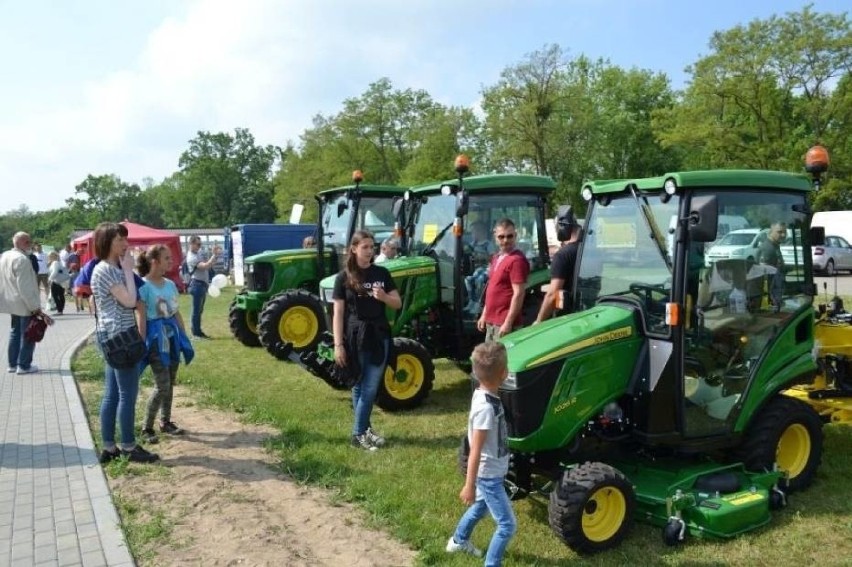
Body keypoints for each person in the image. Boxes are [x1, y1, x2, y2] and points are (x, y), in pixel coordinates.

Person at [90, 222, 159, 465]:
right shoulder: (107, 270)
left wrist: (127, 270)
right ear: (106, 242)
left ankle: (109, 447)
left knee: (112, 394)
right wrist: (129, 270)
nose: (125, 243)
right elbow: (130, 301)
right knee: (126, 394)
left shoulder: (109, 268)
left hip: (113, 336)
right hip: (120, 338)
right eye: (119, 239)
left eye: (124, 238)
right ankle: (128, 446)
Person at [447, 341, 516, 565]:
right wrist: (469, 485)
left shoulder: (484, 395)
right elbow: (474, 449)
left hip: (493, 471)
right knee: (507, 525)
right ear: (504, 373)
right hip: (489, 476)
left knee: (480, 507)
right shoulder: (486, 408)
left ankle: (458, 540)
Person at [332, 230, 402, 451]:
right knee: (360, 384)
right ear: (353, 249)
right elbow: (338, 313)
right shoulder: (343, 278)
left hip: (379, 333)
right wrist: (338, 345)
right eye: (365, 247)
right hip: (356, 336)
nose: (370, 251)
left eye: (372, 247)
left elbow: (397, 303)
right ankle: (360, 433)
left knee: (370, 386)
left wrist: (384, 297)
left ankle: (362, 431)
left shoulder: (381, 272)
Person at [136, 244, 194, 444]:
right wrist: (141, 342)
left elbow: (175, 311)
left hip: (172, 337)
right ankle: (146, 427)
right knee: (162, 385)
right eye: (167, 258)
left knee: (170, 381)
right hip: (155, 339)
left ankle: (166, 422)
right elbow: (141, 317)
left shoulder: (169, 284)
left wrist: (183, 336)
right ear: (154, 262)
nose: (171, 261)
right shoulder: (143, 286)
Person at [0, 232, 53, 374]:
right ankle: (23, 365)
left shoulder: (5, 255)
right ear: (23, 242)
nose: (31, 245)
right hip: (23, 303)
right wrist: (35, 308)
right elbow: (25, 287)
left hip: (10, 301)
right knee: (29, 334)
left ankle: (12, 364)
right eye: (29, 242)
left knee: (15, 333)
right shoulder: (22, 260)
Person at [477, 219, 530, 342]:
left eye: (509, 236)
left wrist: (508, 322)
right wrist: (484, 314)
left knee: (503, 360)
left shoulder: (517, 260)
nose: (505, 240)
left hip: (504, 324)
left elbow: (519, 293)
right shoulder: (496, 258)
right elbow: (491, 289)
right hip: (492, 321)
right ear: (495, 237)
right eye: (501, 237)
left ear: (515, 236)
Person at [535, 207, 582, 323]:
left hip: (568, 317)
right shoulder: (588, 251)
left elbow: (552, 294)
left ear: (562, 228)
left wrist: (539, 321)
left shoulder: (562, 256)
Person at [185, 235, 219, 339]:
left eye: (200, 244)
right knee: (196, 311)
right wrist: (213, 255)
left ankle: (198, 331)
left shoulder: (198, 253)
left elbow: (210, 263)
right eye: (198, 244)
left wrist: (215, 255)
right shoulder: (192, 257)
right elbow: (205, 266)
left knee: (199, 310)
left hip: (201, 285)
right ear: (191, 244)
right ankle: (196, 333)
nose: (199, 247)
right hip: (197, 285)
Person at [464, 221, 495, 313]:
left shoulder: (488, 244)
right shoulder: (473, 244)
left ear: (481, 232)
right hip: (477, 269)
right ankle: (471, 301)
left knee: (480, 280)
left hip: (487, 268)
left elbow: (493, 258)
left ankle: (479, 303)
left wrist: (482, 256)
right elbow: (466, 251)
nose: (472, 234)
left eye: (474, 232)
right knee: (468, 280)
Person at [757, 221, 787, 311]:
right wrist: (771, 301)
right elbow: (764, 279)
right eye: (779, 232)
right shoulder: (768, 249)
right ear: (771, 231)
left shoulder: (775, 246)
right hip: (770, 302)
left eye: (785, 232)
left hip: (776, 297)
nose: (783, 235)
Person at [47, 251, 71, 315]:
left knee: (55, 295)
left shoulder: (55, 263)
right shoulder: (58, 262)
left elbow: (55, 272)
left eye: (49, 256)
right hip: (61, 281)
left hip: (56, 281)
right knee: (61, 295)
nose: (48, 257)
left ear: (52, 256)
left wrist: (50, 279)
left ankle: (59, 310)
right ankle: (60, 310)